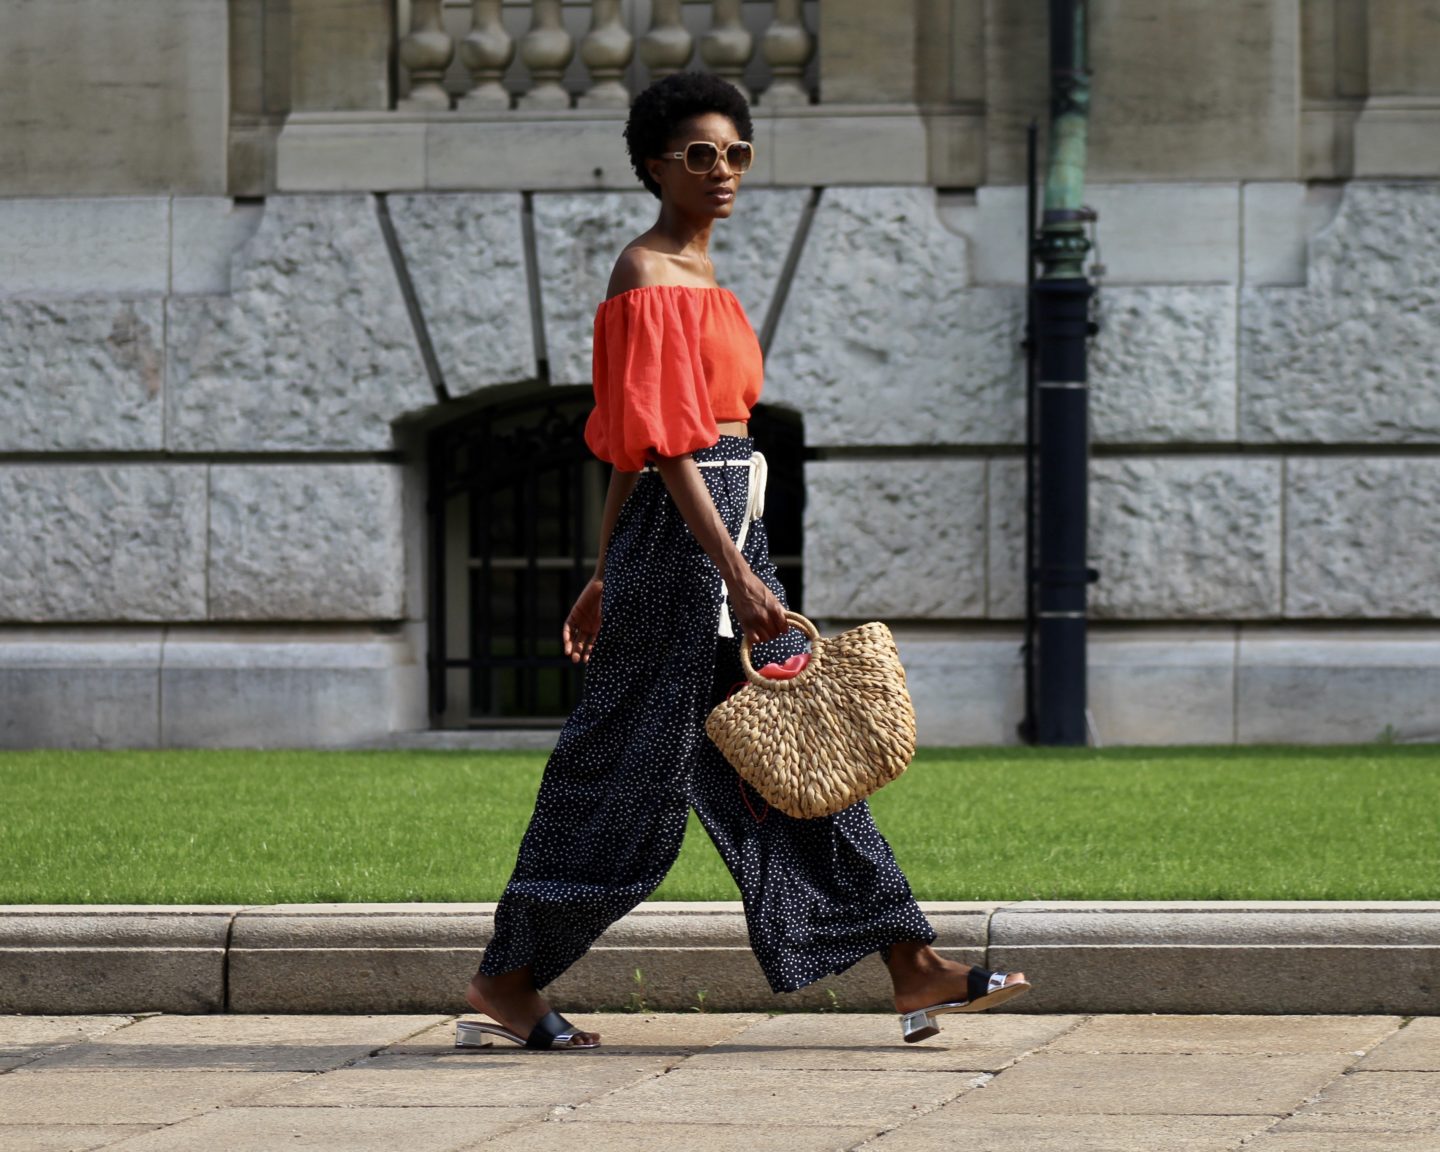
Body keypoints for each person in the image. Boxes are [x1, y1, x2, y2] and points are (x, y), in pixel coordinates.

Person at [457, 72, 1029, 1052]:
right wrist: (730, 573)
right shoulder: (642, 277)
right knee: (623, 781)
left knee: (788, 757)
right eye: (699, 155)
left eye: (736, 155)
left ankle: (909, 963)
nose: (722, 171)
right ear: (653, 165)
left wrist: (606, 573)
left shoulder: (706, 282)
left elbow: (649, 449)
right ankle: (507, 978)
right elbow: (658, 443)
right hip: (697, 549)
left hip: (712, 536)